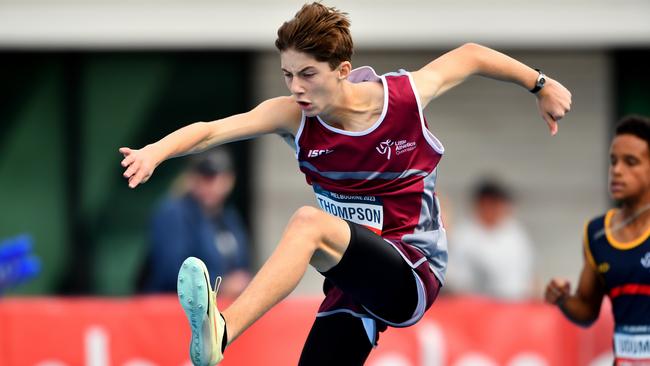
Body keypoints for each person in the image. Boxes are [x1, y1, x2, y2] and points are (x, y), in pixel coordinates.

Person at [119, 3, 571, 365]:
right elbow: (212, 130)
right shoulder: (293, 117)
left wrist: (540, 84)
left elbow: (471, 54)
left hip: (413, 271)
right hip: (353, 285)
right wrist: (155, 151)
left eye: (307, 74)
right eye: (287, 75)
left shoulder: (404, 97)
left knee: (307, 224)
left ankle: (223, 330)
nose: (296, 88)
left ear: (341, 69)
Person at [545, 115, 650, 365]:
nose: (617, 170)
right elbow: (587, 310)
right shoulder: (597, 233)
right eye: (613, 161)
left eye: (630, 162)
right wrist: (561, 298)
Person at [137, 148, 251, 297]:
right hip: (173, 309)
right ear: (191, 178)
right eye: (204, 176)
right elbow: (172, 272)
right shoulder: (173, 213)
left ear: (229, 179)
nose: (211, 184)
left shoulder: (229, 217)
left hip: (215, 310)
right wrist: (221, 284)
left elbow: (241, 267)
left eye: (215, 176)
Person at [447, 178, 535, 300]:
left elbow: (529, 275)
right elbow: (455, 280)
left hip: (515, 307)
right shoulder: (463, 236)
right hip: (477, 307)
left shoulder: (516, 233)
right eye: (494, 203)